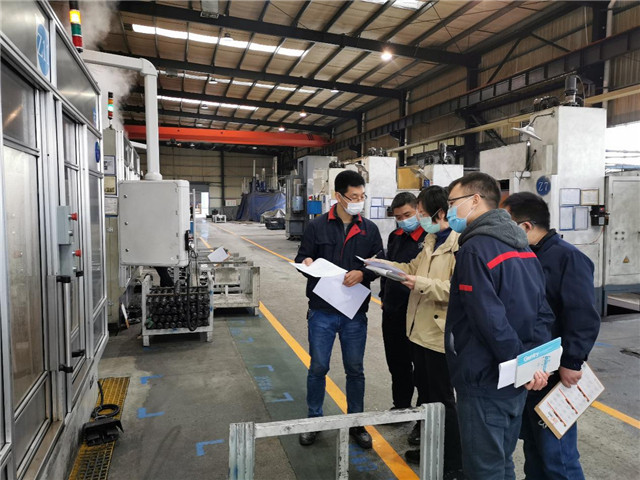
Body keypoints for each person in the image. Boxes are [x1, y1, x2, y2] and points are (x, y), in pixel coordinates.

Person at [444, 172, 554, 480]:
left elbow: (488, 320)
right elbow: (543, 313)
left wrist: (520, 364)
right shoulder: (524, 249)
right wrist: (531, 364)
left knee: (484, 469)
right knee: (503, 462)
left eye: (452, 203)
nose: (449, 211)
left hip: (484, 379)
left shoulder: (475, 249)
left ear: (474, 200)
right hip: (515, 382)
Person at [503, 192, 601, 480]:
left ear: (525, 226)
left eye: (505, 223)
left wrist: (572, 361)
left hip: (556, 370)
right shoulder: (525, 254)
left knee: (557, 453)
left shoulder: (568, 258)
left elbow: (582, 315)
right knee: (533, 446)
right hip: (531, 367)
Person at [294, 170, 383, 449]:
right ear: (338, 196)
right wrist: (307, 264)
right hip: (321, 311)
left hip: (354, 313)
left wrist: (363, 274)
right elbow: (302, 257)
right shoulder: (317, 226)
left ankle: (356, 423)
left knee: (355, 369)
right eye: (353, 197)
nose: (359, 201)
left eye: (362, 196)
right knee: (318, 367)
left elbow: (379, 263)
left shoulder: (370, 229)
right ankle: (314, 421)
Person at [381, 186, 464, 479]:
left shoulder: (458, 244)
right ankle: (432, 447)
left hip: (439, 335)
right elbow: (410, 268)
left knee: (443, 401)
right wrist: (382, 266)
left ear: (440, 213)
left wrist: (421, 284)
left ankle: (453, 463)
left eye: (421, 212)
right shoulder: (430, 241)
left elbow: (457, 290)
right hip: (418, 331)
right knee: (427, 398)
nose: (418, 218)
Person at [379, 192, 426, 412]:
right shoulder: (395, 236)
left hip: (417, 312)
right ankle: (401, 406)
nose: (403, 220)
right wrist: (384, 296)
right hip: (392, 311)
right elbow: (388, 270)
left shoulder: (429, 238)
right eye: (398, 217)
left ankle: (422, 415)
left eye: (407, 215)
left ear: (418, 210)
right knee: (397, 363)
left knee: (422, 368)